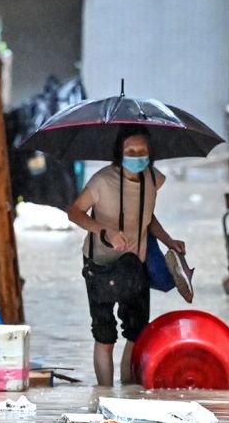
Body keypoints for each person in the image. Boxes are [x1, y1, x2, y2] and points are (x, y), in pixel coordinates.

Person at [67, 127, 185, 386]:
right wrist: (103, 230)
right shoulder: (101, 181)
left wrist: (168, 240)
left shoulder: (154, 180)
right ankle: (105, 395)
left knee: (137, 333)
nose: (136, 156)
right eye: (130, 151)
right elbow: (74, 212)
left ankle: (129, 393)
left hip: (136, 265)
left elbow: (147, 217)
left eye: (142, 151)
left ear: (150, 154)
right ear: (119, 154)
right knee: (105, 336)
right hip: (100, 266)